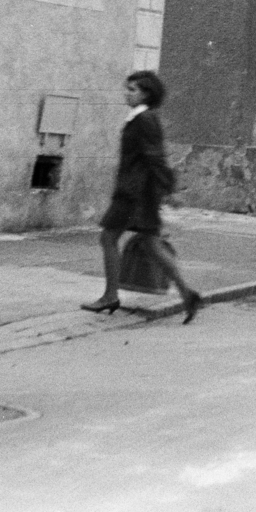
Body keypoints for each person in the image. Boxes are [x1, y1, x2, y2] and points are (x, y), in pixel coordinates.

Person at [83, 70, 203, 323]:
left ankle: (110, 296)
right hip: (141, 192)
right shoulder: (140, 118)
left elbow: (155, 157)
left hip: (134, 194)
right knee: (151, 244)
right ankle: (187, 294)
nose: (127, 93)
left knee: (108, 238)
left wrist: (169, 190)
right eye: (127, 88)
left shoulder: (144, 119)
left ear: (147, 94)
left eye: (133, 89)